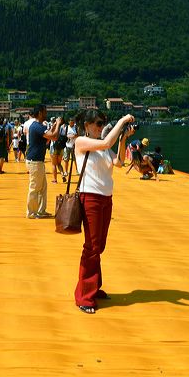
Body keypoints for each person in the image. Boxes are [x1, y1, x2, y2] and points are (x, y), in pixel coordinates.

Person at [72, 110, 135, 313]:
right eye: (98, 124)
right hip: (90, 197)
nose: (101, 127)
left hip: (105, 198)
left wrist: (123, 138)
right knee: (91, 247)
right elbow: (107, 142)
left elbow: (119, 163)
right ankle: (84, 295)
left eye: (102, 123)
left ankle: (93, 286)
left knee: (99, 245)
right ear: (87, 125)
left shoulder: (102, 147)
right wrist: (122, 120)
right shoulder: (81, 141)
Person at [25, 104, 63, 219]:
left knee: (42, 187)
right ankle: (31, 212)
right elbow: (54, 137)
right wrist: (59, 125)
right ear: (40, 113)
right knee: (35, 187)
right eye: (45, 112)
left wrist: (55, 125)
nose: (46, 114)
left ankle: (41, 211)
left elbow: (47, 137)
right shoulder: (37, 126)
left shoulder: (38, 126)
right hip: (35, 161)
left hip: (37, 160)